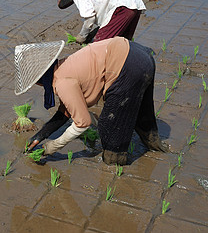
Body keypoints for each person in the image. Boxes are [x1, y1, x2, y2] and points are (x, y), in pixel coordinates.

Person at [14, 37, 167, 165]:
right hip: (138, 54)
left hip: (127, 65)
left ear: (39, 80)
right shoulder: (64, 65)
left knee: (109, 129)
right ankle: (157, 148)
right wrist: (40, 135)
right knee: (141, 112)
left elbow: (83, 122)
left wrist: (52, 146)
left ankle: (116, 164)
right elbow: (66, 111)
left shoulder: (62, 82)